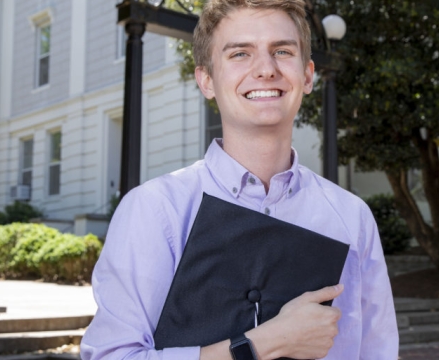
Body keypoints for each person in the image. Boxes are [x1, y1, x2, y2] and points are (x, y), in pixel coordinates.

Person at [80, 0, 398, 359]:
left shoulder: (351, 217)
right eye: (240, 54)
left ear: (308, 76)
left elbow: (377, 350)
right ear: (207, 80)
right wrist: (261, 344)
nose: (265, 69)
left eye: (282, 51)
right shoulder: (155, 210)